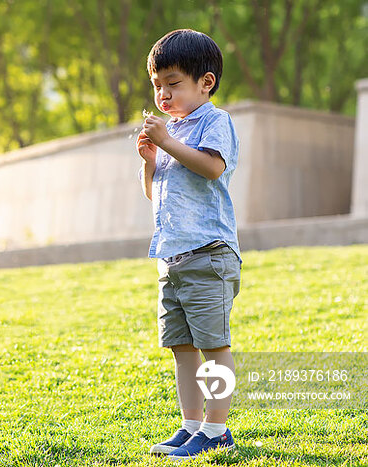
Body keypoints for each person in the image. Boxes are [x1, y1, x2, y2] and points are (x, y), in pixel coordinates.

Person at [135, 29, 242, 461]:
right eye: (157, 84)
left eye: (173, 82)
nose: (163, 92)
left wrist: (167, 143)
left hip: (209, 254)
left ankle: (217, 430)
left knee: (213, 346)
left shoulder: (215, 122)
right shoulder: (171, 132)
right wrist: (150, 162)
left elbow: (212, 168)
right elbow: (153, 194)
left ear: (206, 82)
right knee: (182, 347)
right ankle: (192, 426)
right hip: (172, 258)